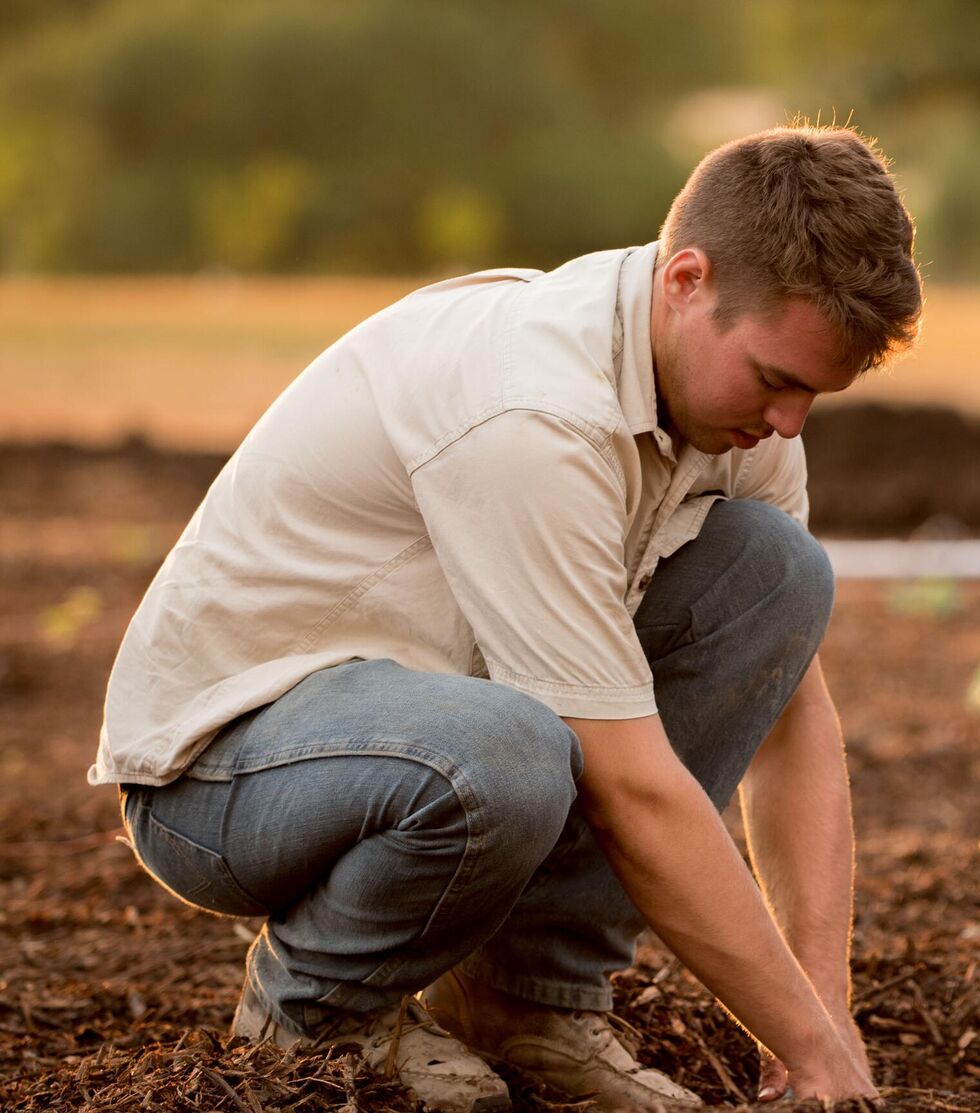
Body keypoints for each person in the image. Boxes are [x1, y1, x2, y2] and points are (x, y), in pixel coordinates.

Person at [91, 125, 921, 1113]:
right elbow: (631, 788)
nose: (789, 423)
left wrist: (822, 1019)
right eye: (776, 379)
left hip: (429, 725)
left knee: (778, 573)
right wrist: (801, 1041)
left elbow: (787, 710)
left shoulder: (734, 413)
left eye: (814, 394)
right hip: (221, 771)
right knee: (512, 751)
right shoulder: (534, 414)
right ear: (687, 281)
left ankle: (524, 1002)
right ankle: (314, 1014)